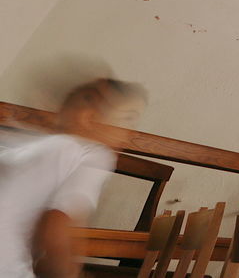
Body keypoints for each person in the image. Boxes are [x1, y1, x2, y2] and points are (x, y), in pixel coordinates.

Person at [0, 79, 146, 278]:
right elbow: (55, 229)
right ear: (89, 117)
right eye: (128, 119)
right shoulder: (91, 153)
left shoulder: (26, 147)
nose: (130, 133)